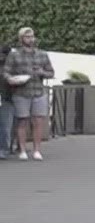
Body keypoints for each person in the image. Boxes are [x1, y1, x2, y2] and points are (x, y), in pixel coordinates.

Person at [4, 26, 56, 161]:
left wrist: (42, 73)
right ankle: (22, 150)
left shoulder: (42, 54)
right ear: (21, 39)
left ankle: (37, 150)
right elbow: (6, 72)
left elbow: (51, 73)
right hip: (21, 92)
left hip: (38, 91)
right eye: (27, 37)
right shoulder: (14, 55)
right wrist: (10, 79)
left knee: (38, 121)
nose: (30, 39)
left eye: (32, 36)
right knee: (22, 121)